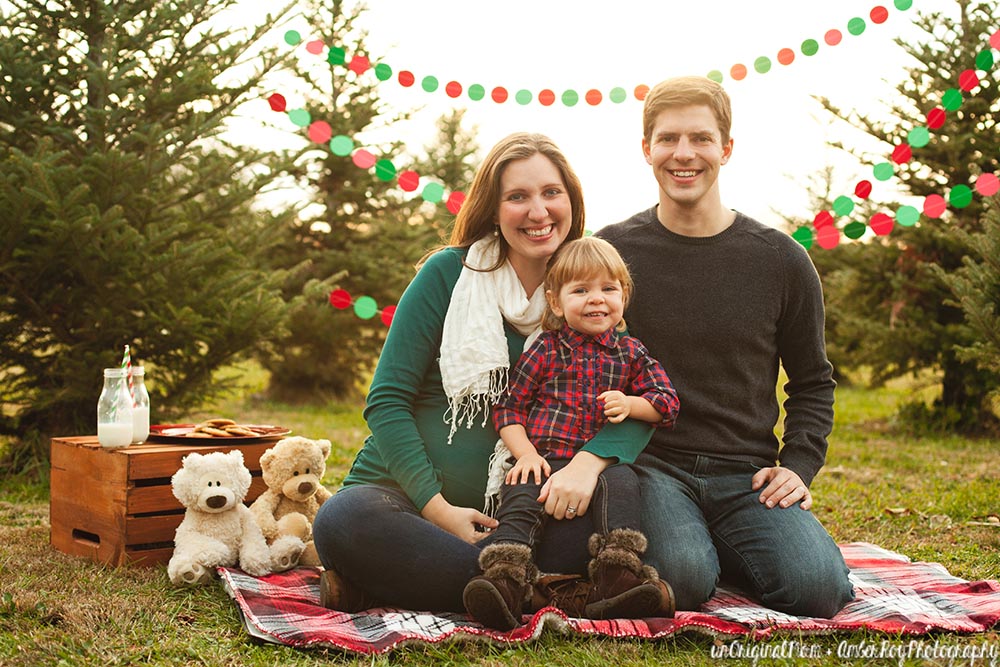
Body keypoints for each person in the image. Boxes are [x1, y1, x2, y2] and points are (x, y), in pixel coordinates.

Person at [312, 132, 654, 616]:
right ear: (493, 210)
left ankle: (410, 586)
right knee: (343, 521)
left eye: (551, 193)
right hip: (409, 504)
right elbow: (386, 402)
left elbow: (641, 402)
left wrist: (588, 465)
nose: (538, 212)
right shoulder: (446, 275)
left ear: (572, 203)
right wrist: (438, 510)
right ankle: (547, 592)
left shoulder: (590, 290)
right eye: (518, 197)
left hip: (526, 513)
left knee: (624, 514)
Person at [595, 75, 855, 618]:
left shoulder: (781, 259)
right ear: (647, 150)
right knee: (683, 581)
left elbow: (812, 381)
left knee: (818, 590)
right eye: (667, 139)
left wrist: (798, 466)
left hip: (747, 473)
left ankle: (741, 543)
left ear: (726, 149)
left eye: (700, 138)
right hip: (653, 465)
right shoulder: (613, 251)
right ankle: (703, 551)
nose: (683, 154)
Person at [463, 236, 679, 629]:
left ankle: (617, 576)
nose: (597, 299)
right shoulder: (545, 349)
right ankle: (505, 583)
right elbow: (509, 407)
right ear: (557, 302)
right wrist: (525, 454)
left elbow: (666, 402)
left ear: (623, 296)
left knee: (624, 482)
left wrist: (632, 404)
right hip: (543, 458)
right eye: (581, 290)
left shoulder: (631, 353)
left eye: (608, 289)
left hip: (597, 468)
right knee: (522, 498)